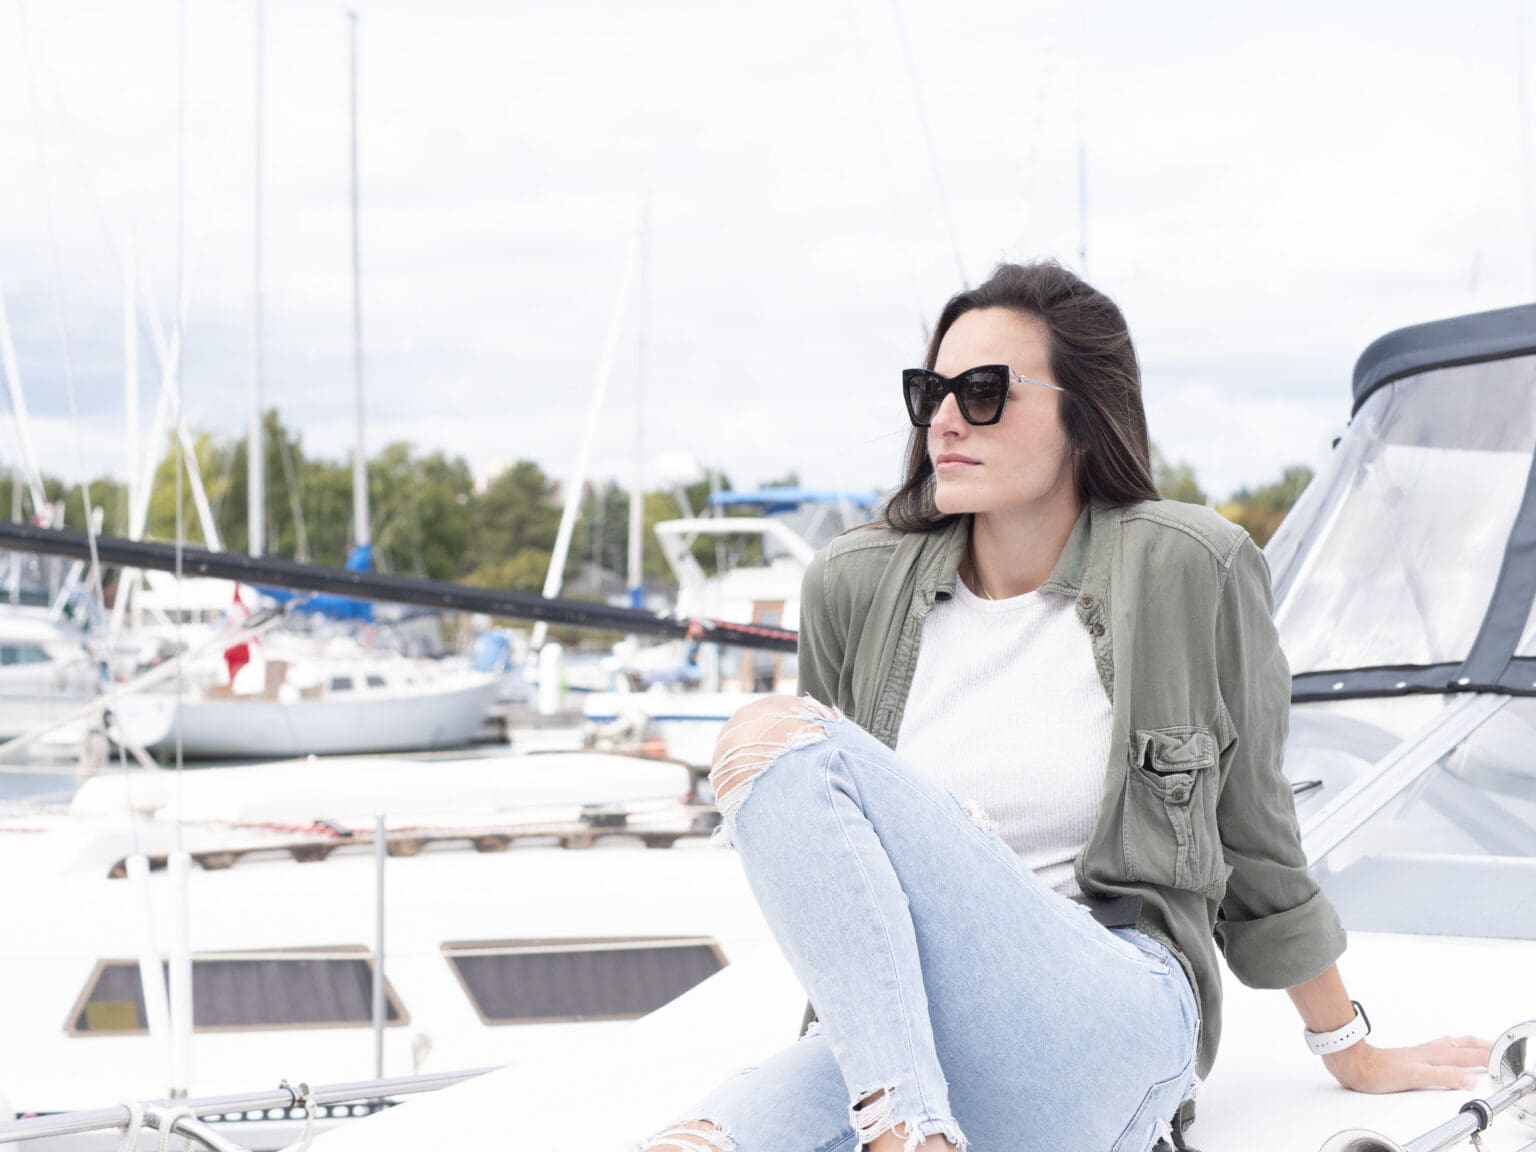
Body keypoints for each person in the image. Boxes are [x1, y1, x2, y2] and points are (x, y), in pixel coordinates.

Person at [636, 262, 1490, 1152]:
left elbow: (1257, 837)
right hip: (919, 1039)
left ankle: (901, 1129)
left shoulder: (1190, 566)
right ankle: (912, 1131)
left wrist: (1349, 1047)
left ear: (1083, 414)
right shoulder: (854, 584)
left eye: (984, 391)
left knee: (771, 736)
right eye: (931, 391)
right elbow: (831, 853)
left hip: (1112, 1011)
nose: (946, 419)